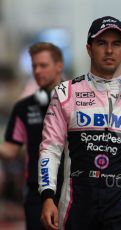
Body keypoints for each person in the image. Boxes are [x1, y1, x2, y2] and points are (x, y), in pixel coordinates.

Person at [38, 16, 121, 230]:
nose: (109, 50)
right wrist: (47, 196)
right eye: (101, 43)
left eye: (116, 44)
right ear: (89, 48)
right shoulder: (66, 93)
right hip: (76, 207)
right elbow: (50, 148)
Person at [0, 42, 64, 230]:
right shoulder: (23, 107)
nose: (37, 71)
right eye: (34, 66)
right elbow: (11, 150)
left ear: (59, 65)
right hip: (36, 193)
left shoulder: (77, 103)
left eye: (43, 65)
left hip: (72, 192)